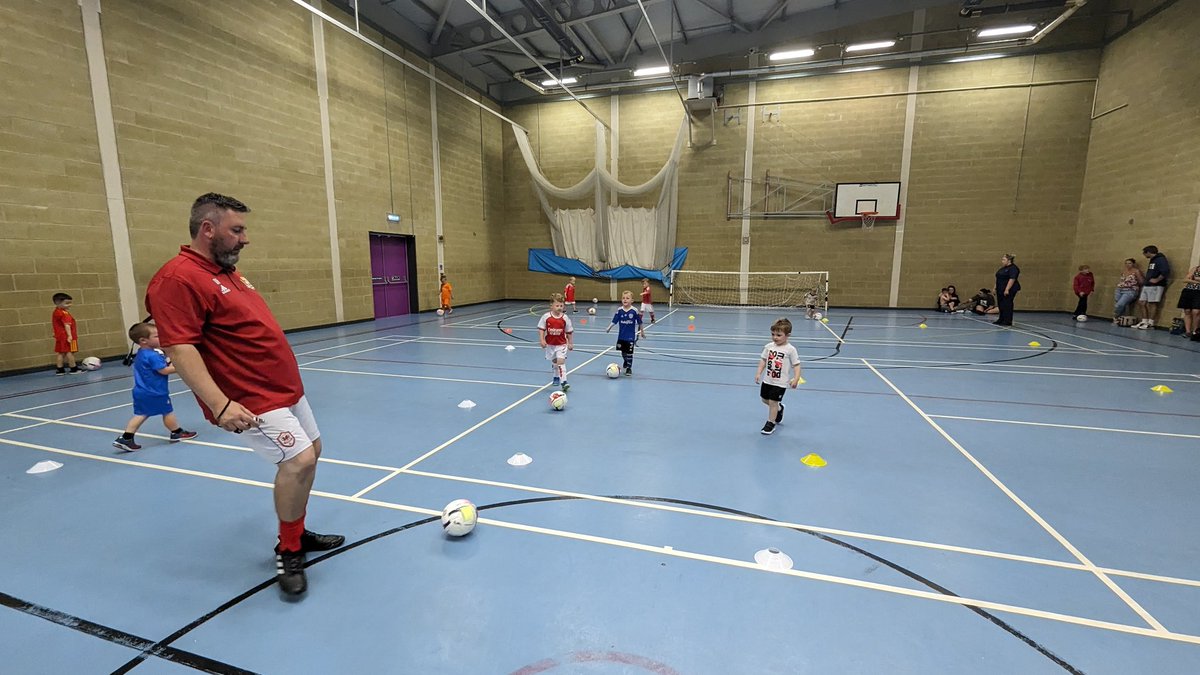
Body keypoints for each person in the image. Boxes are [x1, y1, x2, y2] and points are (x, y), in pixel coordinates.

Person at [145, 193, 343, 597]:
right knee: (299, 461)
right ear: (208, 229)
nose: (245, 239)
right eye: (237, 230)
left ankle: (297, 532)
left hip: (284, 388)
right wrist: (219, 404)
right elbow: (181, 348)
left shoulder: (227, 272)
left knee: (313, 452)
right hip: (250, 396)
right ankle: (289, 551)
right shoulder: (177, 278)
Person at [112, 322, 198, 451]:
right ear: (143, 341)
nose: (160, 338)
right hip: (155, 391)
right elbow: (163, 370)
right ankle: (177, 432)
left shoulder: (142, 353)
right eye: (156, 336)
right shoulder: (153, 355)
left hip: (141, 391)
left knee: (141, 414)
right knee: (167, 411)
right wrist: (181, 367)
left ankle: (126, 437)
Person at [754, 318, 802, 436]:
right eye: (773, 334)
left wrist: (796, 378)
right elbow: (763, 360)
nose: (775, 337)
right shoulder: (769, 347)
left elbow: (796, 365)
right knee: (764, 399)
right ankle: (780, 408)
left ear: (787, 335)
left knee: (773, 402)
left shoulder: (790, 350)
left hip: (780, 382)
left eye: (779, 335)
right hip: (768, 379)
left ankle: (771, 423)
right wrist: (759, 373)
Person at [537, 293, 574, 391]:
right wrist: (542, 339)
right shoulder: (546, 317)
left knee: (561, 362)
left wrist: (570, 343)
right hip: (550, 345)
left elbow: (569, 331)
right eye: (557, 305)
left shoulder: (565, 318)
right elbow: (541, 329)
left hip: (561, 344)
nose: (559, 308)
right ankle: (555, 376)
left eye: (561, 306)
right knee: (554, 362)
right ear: (551, 306)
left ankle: (564, 381)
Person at [605, 290, 644, 376]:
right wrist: (609, 327)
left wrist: (642, 332)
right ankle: (626, 361)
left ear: (632, 300)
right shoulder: (619, 310)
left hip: (630, 336)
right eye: (623, 298)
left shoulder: (634, 311)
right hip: (621, 336)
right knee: (623, 352)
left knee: (629, 353)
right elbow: (615, 321)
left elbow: (640, 322)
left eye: (627, 298)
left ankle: (629, 368)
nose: (625, 300)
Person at [1135, 245, 1170, 329]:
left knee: (1152, 303)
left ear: (1148, 252)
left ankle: (1151, 323)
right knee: (1141, 302)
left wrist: (1157, 279)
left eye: (1144, 253)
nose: (1144, 255)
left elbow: (1166, 271)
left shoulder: (1161, 259)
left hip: (1156, 285)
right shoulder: (1153, 260)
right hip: (1148, 284)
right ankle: (1144, 321)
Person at [51, 292, 81, 375]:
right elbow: (67, 325)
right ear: (58, 303)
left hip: (60, 336)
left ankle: (60, 369)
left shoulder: (56, 311)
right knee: (70, 352)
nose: (70, 305)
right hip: (67, 336)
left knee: (61, 352)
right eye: (67, 303)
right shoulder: (64, 313)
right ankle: (73, 368)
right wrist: (70, 336)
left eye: (70, 302)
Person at [1113, 258, 1143, 325]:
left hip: (1130, 290)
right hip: (1120, 289)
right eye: (1126, 263)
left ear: (1133, 264)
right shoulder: (1124, 271)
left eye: (1129, 263)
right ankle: (1121, 319)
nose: (1127, 265)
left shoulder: (1136, 271)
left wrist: (1134, 285)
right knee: (1121, 305)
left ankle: (1116, 317)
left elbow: (1141, 281)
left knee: (1119, 304)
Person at [994, 254, 1020, 326]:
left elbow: (1012, 279)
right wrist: (995, 287)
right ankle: (1001, 318)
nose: (1002, 261)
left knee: (1007, 304)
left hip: (1009, 290)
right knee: (1001, 304)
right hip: (1000, 289)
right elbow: (998, 278)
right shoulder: (1002, 268)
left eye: (1004, 259)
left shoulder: (1013, 268)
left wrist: (1007, 289)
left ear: (1009, 261)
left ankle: (1007, 320)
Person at [1176, 262, 1200, 338]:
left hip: (1199, 292)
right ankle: (1188, 331)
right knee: (1187, 311)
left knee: (1196, 311)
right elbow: (1185, 279)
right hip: (1189, 291)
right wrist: (1195, 281)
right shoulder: (1195, 268)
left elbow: (1191, 278)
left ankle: (1195, 331)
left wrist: (1193, 279)